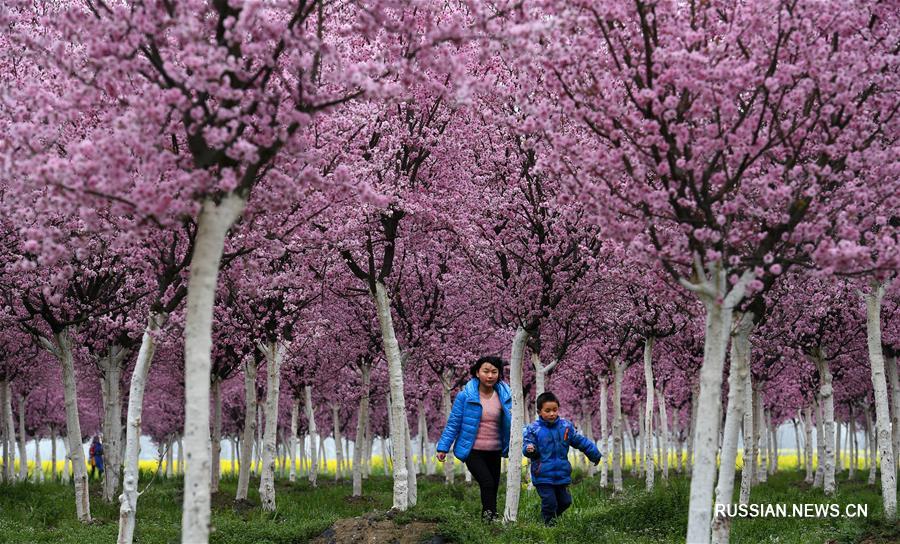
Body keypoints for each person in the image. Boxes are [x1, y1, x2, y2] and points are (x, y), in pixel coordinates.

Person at [436, 356, 512, 522]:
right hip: (473, 450)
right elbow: (453, 423)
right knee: (487, 483)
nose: (490, 375)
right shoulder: (466, 396)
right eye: (486, 371)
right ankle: (489, 520)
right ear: (477, 373)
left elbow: (514, 420)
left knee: (493, 485)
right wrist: (443, 447)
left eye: (494, 372)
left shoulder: (506, 396)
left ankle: (490, 518)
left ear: (499, 374)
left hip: (495, 450)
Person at [523, 391, 601, 526]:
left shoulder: (565, 427)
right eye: (547, 411)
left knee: (566, 502)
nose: (552, 413)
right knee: (550, 502)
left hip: (562, 474)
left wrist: (594, 454)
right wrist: (530, 449)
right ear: (539, 412)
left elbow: (579, 441)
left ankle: (551, 518)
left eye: (555, 410)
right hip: (542, 474)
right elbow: (527, 445)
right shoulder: (533, 429)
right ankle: (547, 525)